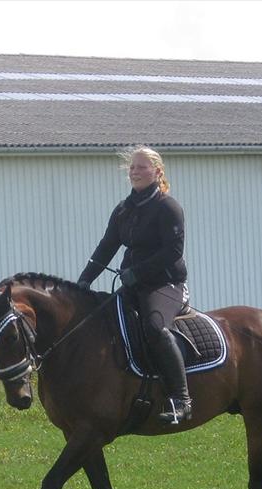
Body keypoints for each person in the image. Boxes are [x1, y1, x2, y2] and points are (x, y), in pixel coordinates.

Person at [77, 145, 193, 425]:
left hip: (165, 283)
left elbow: (172, 253)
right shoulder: (123, 209)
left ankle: (182, 399)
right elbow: (107, 246)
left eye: (141, 167)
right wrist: (84, 279)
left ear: (157, 171)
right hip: (133, 283)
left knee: (155, 328)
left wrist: (138, 272)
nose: (135, 171)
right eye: (132, 167)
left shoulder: (168, 207)